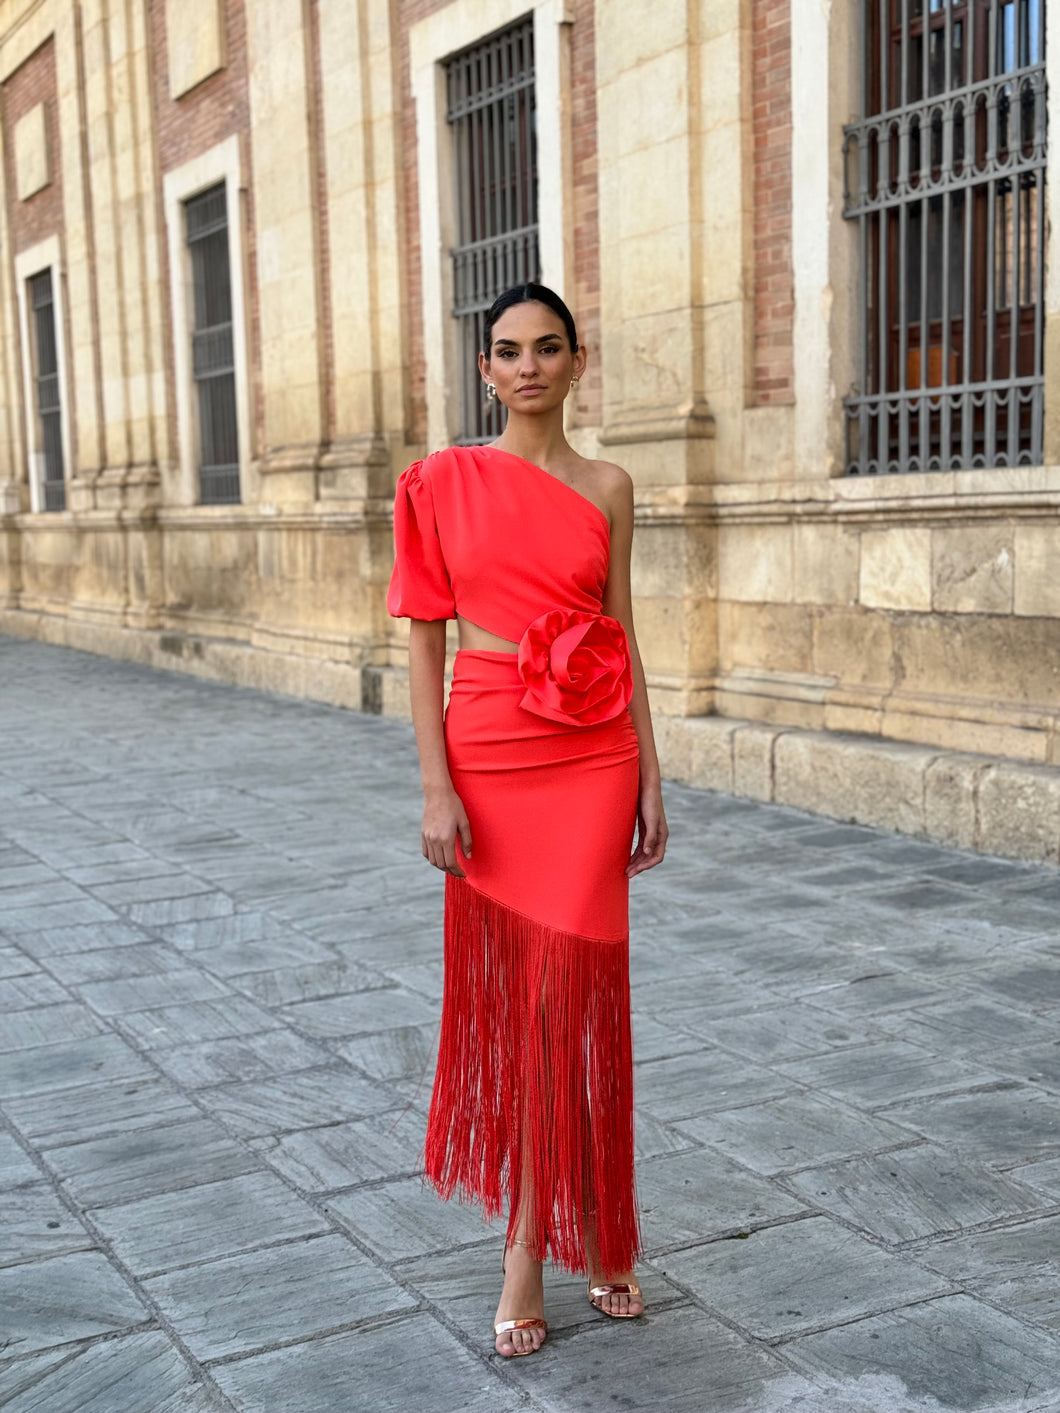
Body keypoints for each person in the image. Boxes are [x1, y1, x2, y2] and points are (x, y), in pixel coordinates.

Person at [387, 283, 668, 1358]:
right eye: (509, 351)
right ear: (485, 370)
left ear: (577, 360)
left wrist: (652, 771)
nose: (530, 366)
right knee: (535, 1006)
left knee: (577, 996)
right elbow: (421, 641)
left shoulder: (609, 485)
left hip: (595, 753)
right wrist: (433, 785)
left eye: (549, 348)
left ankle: (569, 1231)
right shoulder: (438, 483)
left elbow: (623, 627)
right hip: (492, 750)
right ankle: (546, 1241)